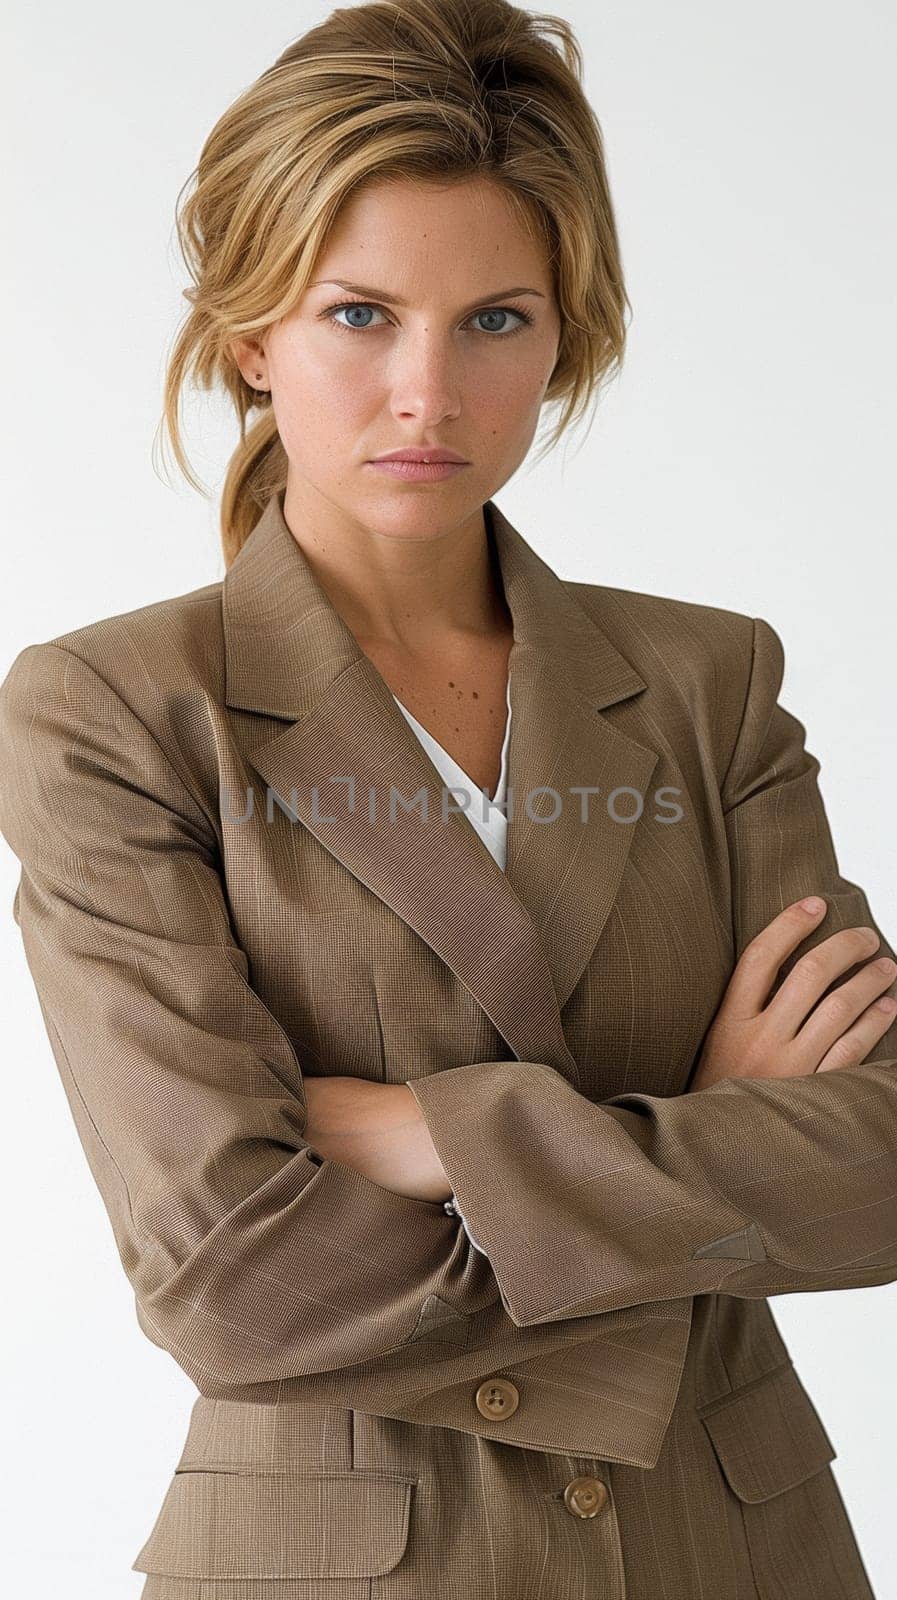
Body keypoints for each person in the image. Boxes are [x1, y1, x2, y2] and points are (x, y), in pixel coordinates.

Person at [0, 2, 894, 1595]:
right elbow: (234, 1284)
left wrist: (428, 1135)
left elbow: (876, 1168)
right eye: (359, 316)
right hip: (355, 1562)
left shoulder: (709, 686)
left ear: (567, 337)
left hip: (732, 1548)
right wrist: (709, 1143)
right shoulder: (115, 712)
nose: (429, 392)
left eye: (496, 321)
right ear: (248, 333)